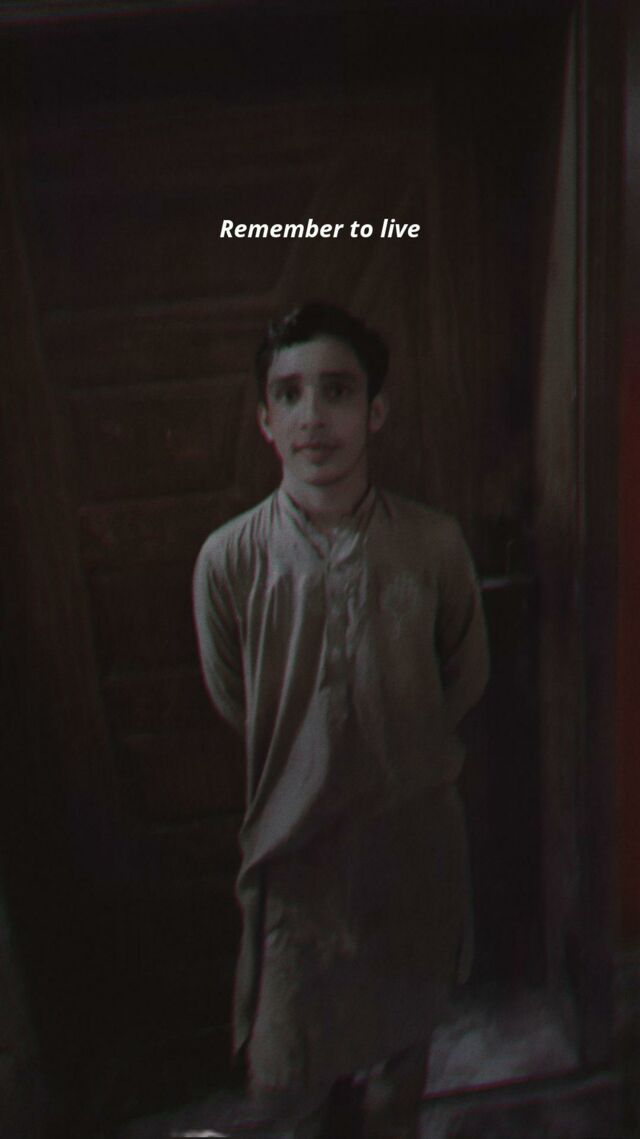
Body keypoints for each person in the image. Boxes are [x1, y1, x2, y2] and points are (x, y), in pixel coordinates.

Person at [192, 302, 489, 1139]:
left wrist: (394, 743)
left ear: (375, 410)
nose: (313, 416)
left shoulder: (432, 544)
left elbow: (463, 676)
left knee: (398, 1071)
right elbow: (236, 697)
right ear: (265, 420)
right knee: (292, 1084)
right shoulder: (230, 560)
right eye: (289, 394)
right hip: (298, 860)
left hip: (409, 846)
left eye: (337, 390)